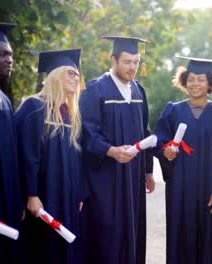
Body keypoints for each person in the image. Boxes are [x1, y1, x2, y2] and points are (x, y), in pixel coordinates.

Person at [80, 36, 154, 264]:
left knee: (132, 228)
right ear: (113, 60)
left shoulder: (138, 91)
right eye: (127, 61)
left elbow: (145, 131)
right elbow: (87, 133)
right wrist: (112, 151)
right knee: (108, 233)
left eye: (136, 61)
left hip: (132, 176)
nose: (132, 67)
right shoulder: (96, 89)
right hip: (106, 178)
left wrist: (148, 171)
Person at [155, 56, 212, 264]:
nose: (195, 83)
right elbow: (159, 142)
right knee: (181, 243)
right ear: (184, 81)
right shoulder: (173, 111)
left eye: (200, 79)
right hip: (180, 192)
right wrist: (166, 151)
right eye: (191, 79)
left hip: (210, 190)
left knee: (211, 244)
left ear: (210, 83)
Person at [15, 48, 84, 264]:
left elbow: (76, 160)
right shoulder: (34, 107)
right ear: (55, 75)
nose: (76, 78)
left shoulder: (70, 114)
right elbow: (27, 154)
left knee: (65, 249)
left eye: (77, 74)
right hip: (43, 197)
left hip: (67, 196)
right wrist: (31, 194)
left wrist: (79, 192)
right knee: (43, 249)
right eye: (70, 73)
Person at [0, 21, 23, 264]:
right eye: (3, 54)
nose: (9, 59)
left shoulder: (4, 101)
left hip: (8, 203)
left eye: (11, 54)